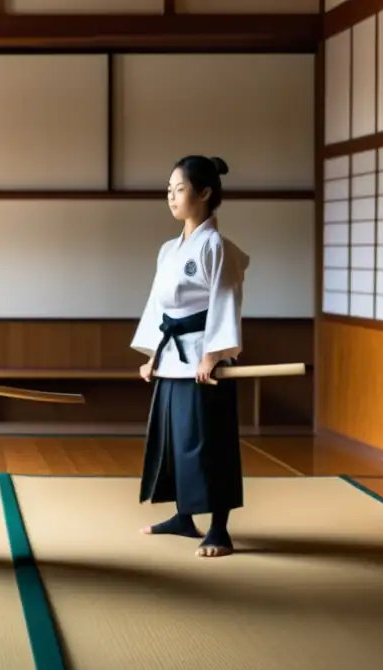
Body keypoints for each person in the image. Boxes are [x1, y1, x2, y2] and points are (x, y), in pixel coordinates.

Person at [131, 155, 250, 558]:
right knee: (175, 441)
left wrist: (213, 355)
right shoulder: (169, 250)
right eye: (168, 190)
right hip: (172, 359)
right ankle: (184, 516)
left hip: (202, 360)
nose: (171, 196)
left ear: (204, 193)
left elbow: (226, 301)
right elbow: (156, 308)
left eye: (178, 189)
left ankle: (219, 528)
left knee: (207, 443)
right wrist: (152, 356)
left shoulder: (217, 247)